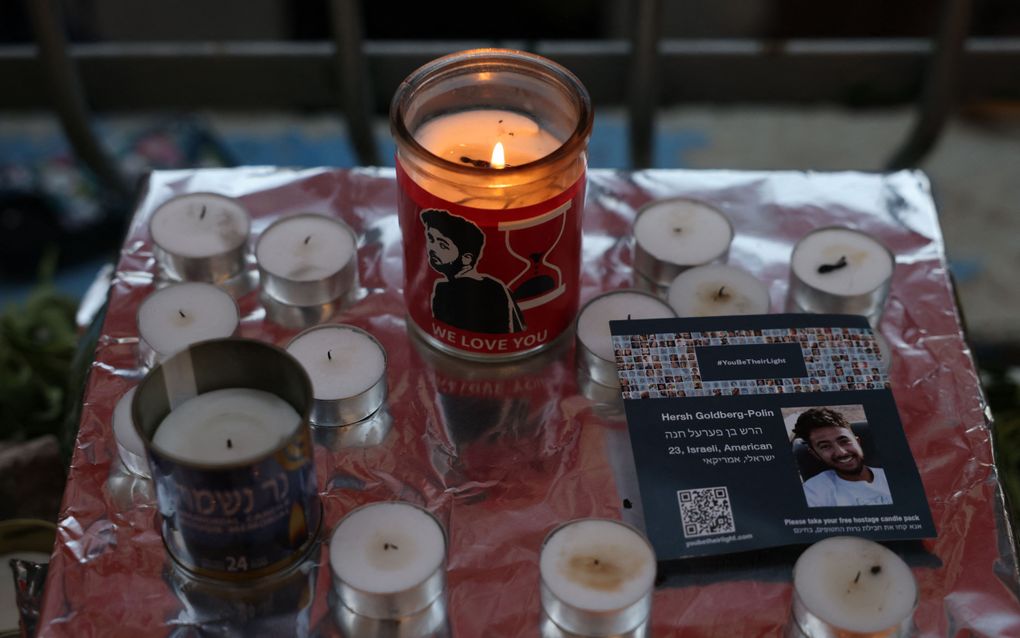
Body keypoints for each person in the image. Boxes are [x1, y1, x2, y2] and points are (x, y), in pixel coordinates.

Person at [421, 209, 524, 334]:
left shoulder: (489, 289)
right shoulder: (496, 286)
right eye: (431, 239)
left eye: (443, 245)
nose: (433, 248)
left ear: (466, 259)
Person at [794, 407, 893, 507]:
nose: (841, 453)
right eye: (825, 446)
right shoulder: (813, 492)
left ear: (857, 442)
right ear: (815, 454)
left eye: (844, 441)